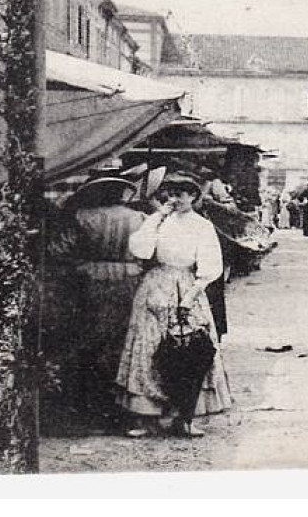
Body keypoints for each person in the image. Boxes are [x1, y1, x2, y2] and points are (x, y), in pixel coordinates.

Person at [115, 172, 232, 437]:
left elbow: (210, 265)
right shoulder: (158, 221)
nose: (175, 199)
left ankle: (185, 416)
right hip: (156, 285)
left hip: (187, 285)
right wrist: (157, 218)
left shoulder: (202, 225)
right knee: (148, 346)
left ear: (193, 196)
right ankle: (147, 417)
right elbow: (142, 251)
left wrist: (190, 297)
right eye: (171, 193)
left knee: (189, 347)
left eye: (181, 193)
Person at [48, 162, 146, 426]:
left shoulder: (81, 216)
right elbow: (149, 254)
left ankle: (88, 407)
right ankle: (121, 408)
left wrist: (81, 265)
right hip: (130, 282)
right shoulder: (139, 219)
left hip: (89, 283)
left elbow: (59, 250)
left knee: (88, 341)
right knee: (124, 343)